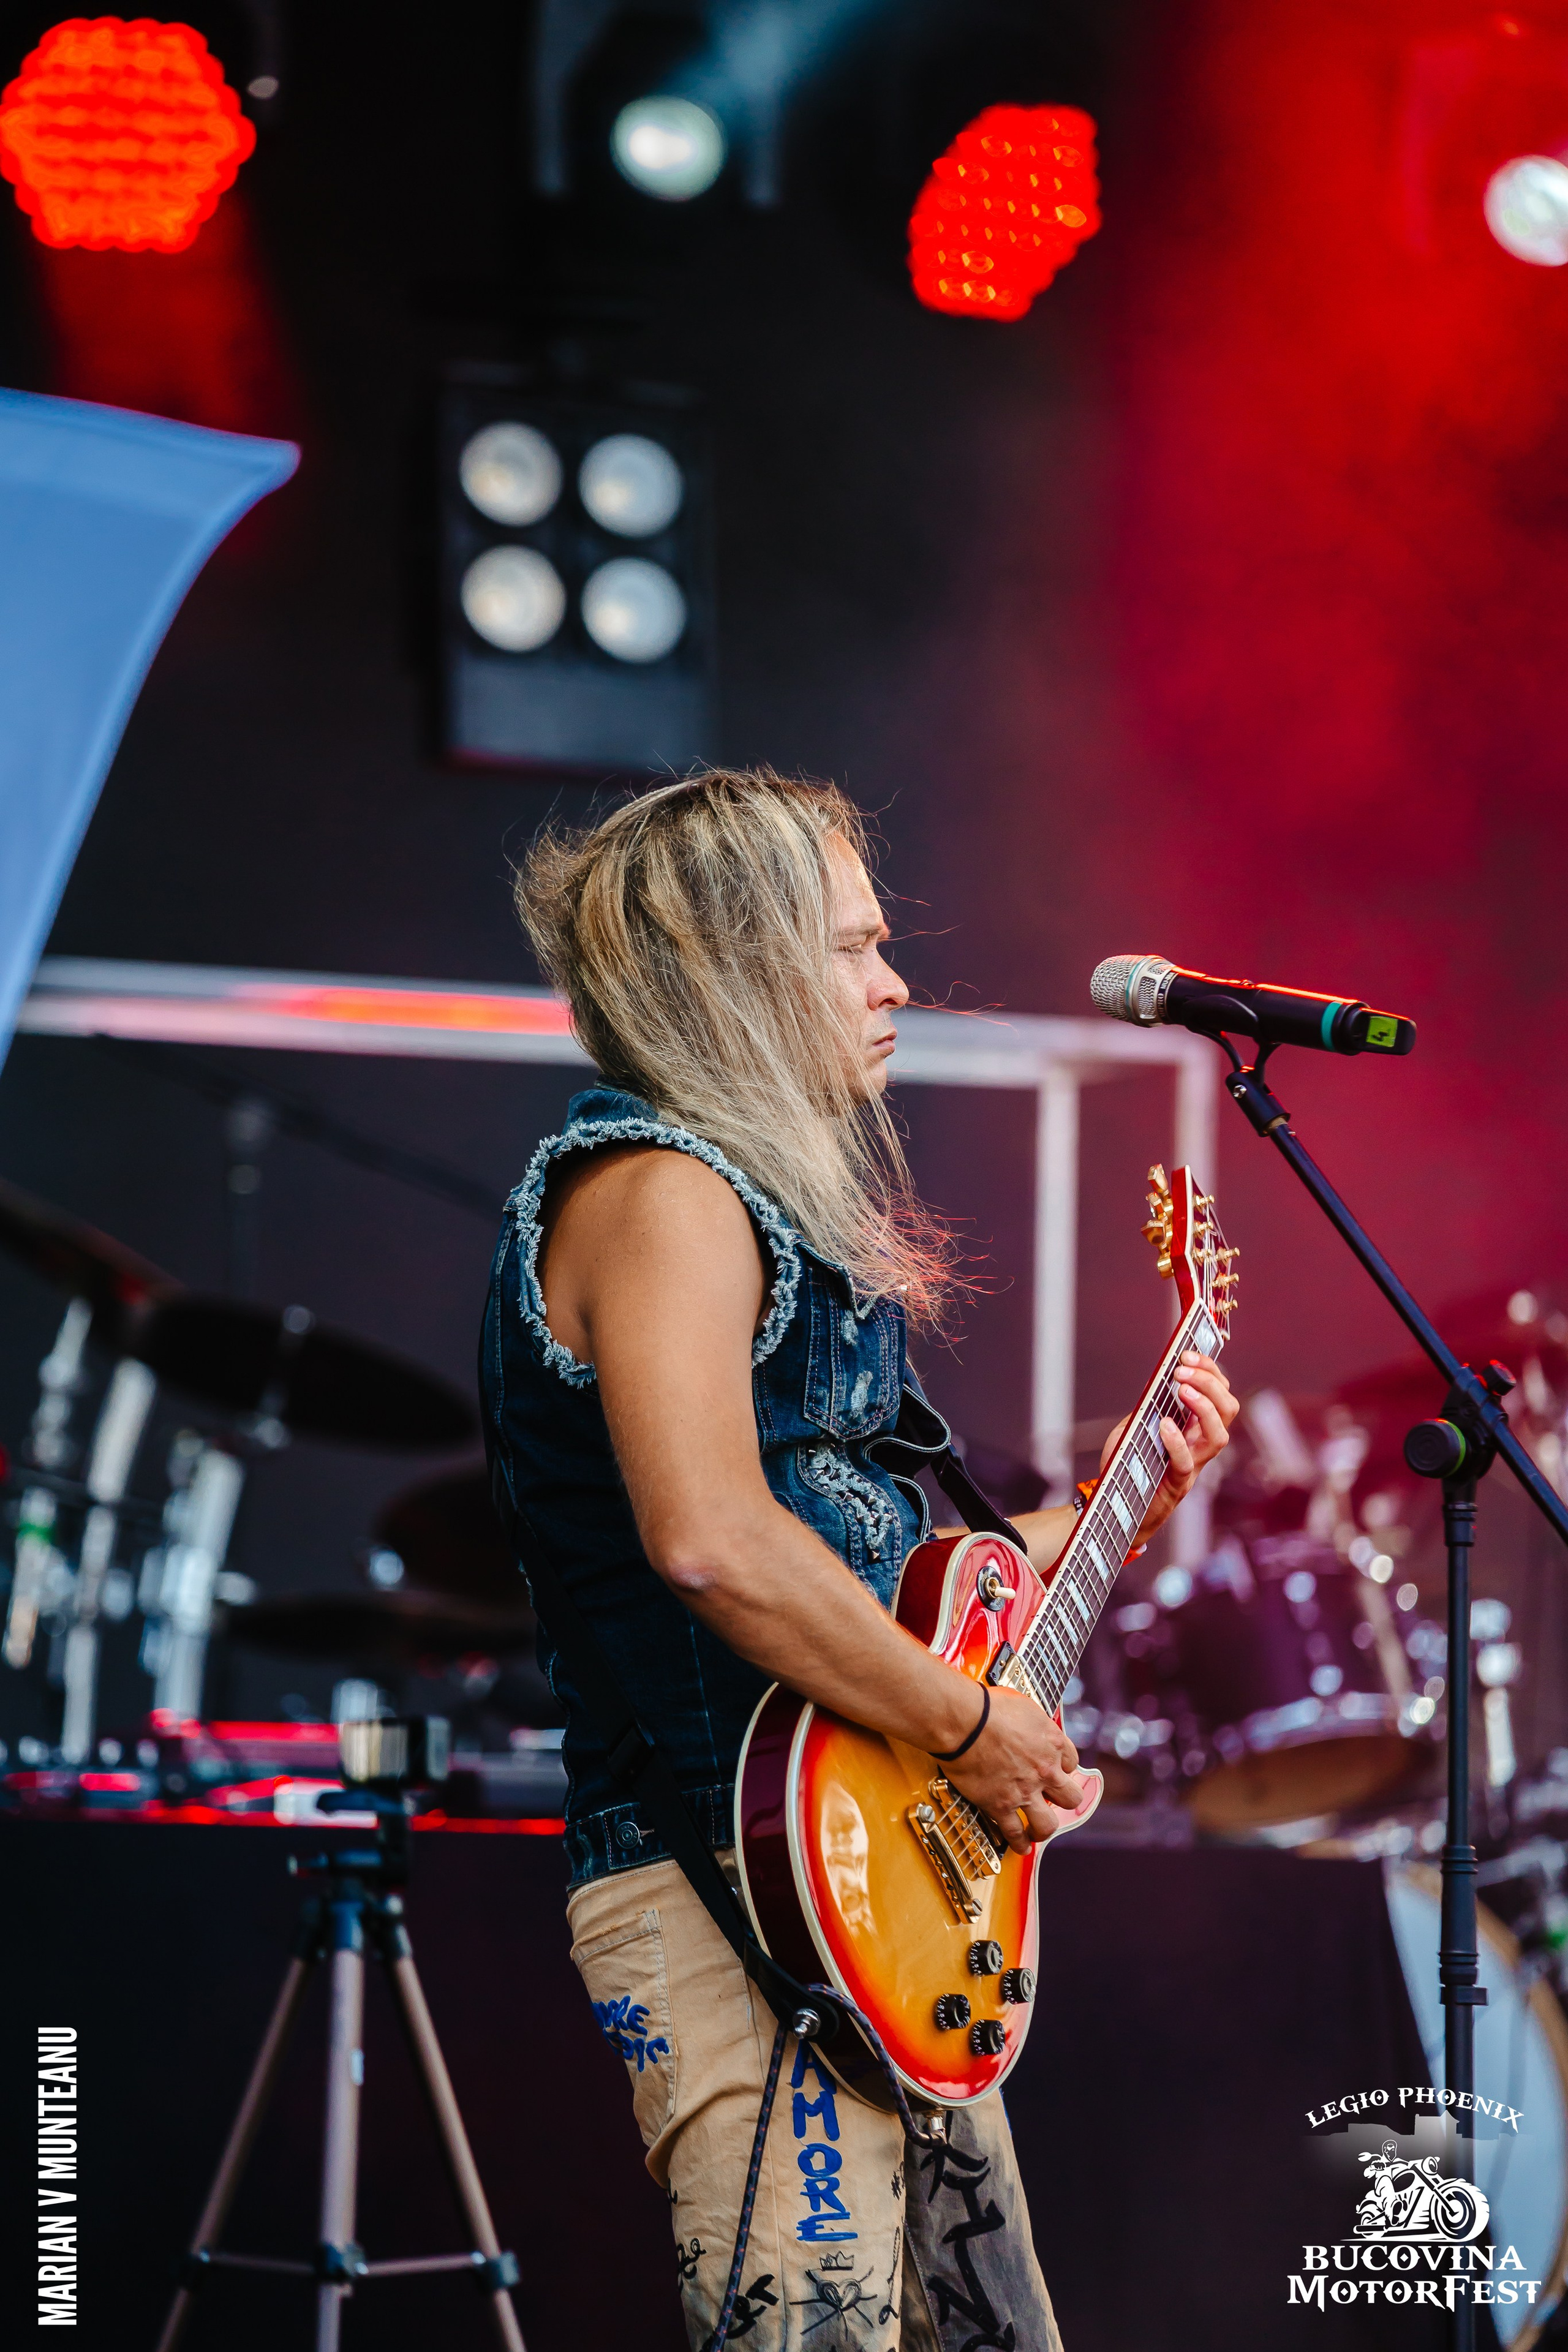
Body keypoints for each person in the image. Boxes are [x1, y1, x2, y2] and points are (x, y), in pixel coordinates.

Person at [480, 769, 1237, 2351]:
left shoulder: (762, 1209)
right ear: (737, 968)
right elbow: (710, 1539)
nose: (896, 982)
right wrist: (973, 1731)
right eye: (855, 947)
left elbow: (899, 1582)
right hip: (724, 1889)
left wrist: (1122, 1499)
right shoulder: (659, 1188)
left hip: (874, 1904)